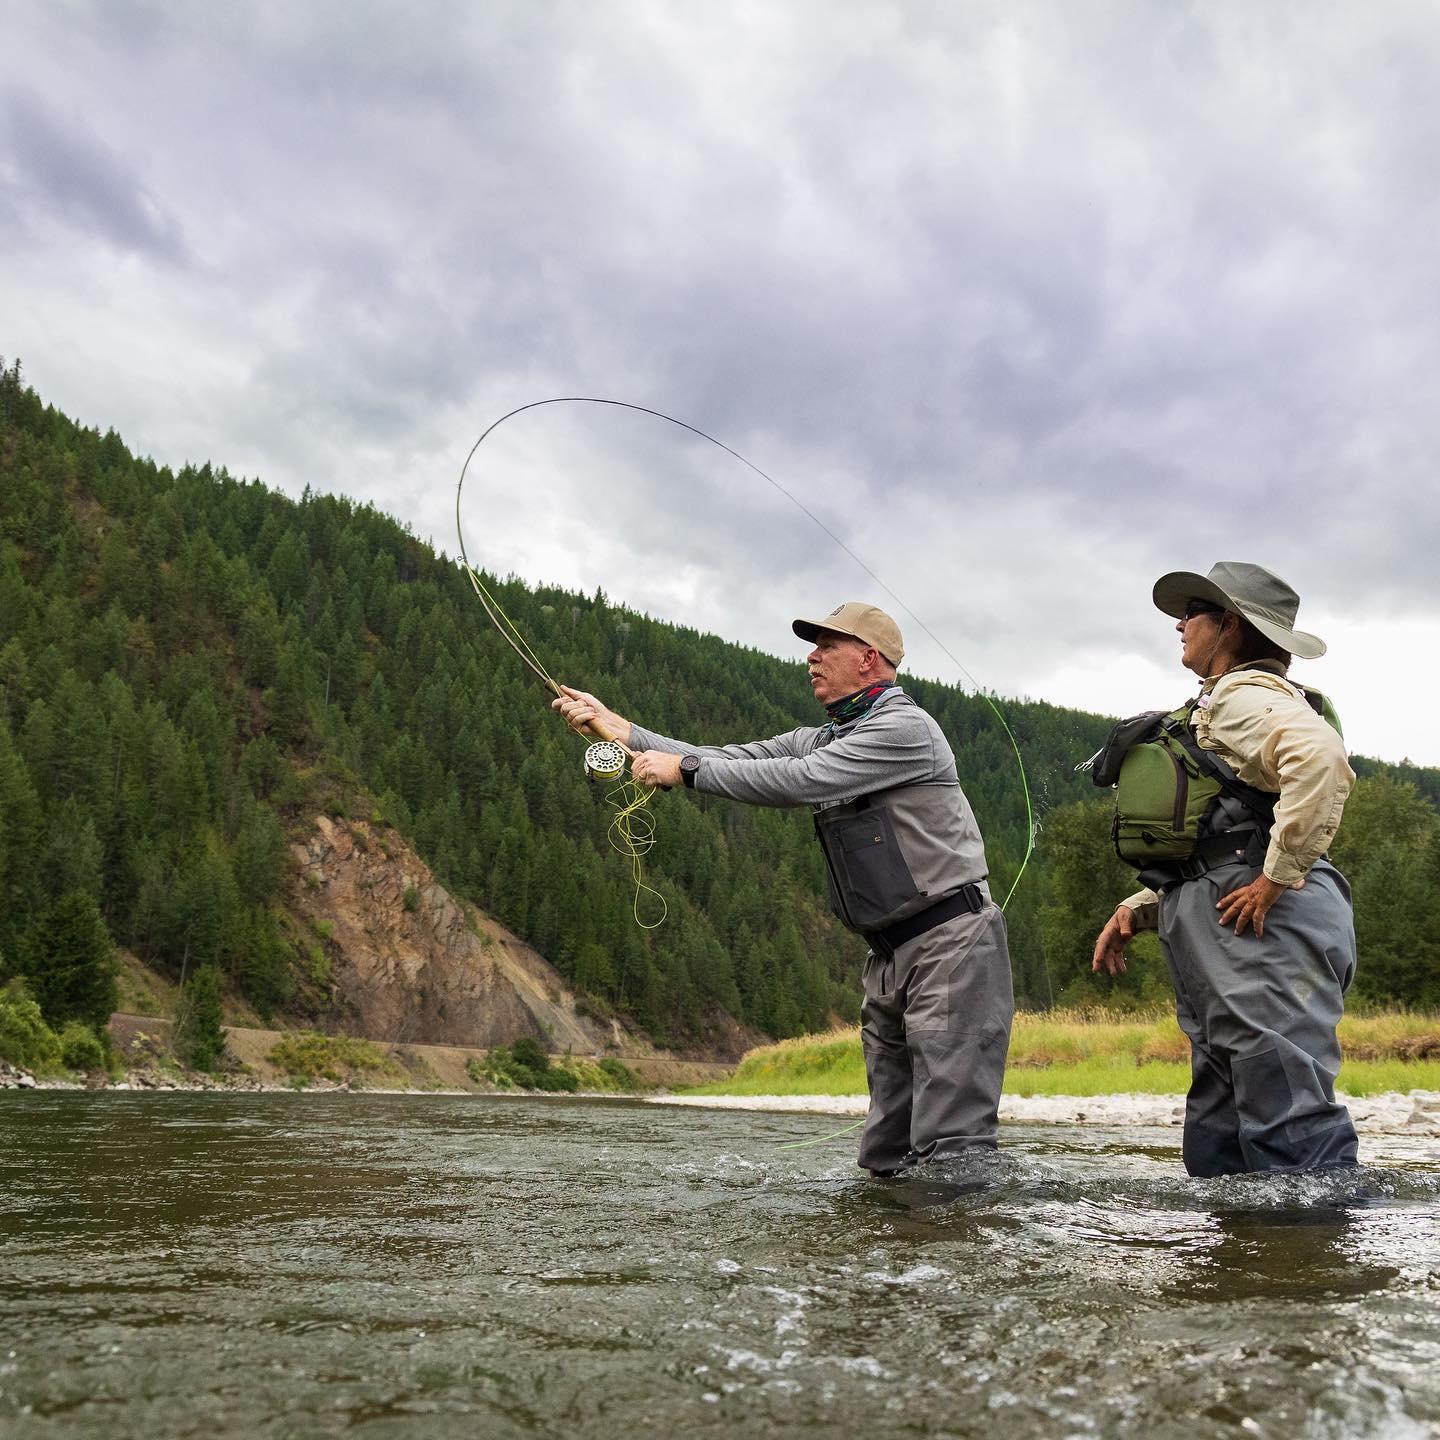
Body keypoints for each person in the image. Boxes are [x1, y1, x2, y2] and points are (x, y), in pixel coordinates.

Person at [552, 601, 1013, 1176]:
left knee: (952, 1146)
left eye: (827, 647)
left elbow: (799, 781)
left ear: (869, 659)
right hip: (890, 954)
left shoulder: (904, 730)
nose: (812, 658)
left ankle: (960, 1250)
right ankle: (894, 1258)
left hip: (951, 943)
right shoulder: (821, 736)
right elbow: (727, 757)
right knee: (887, 1148)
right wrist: (619, 728)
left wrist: (684, 773)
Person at [1092, 562, 1359, 1175]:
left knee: (1283, 1108)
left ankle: (1307, 1260)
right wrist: (1143, 907)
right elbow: (1228, 832)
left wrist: (1276, 878)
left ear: (1230, 627)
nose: (1180, 625)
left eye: (1192, 614)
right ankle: (1240, 1261)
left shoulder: (1245, 695)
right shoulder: (1226, 702)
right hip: (1231, 923)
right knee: (1225, 1122)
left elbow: (1319, 761)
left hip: (1264, 924)